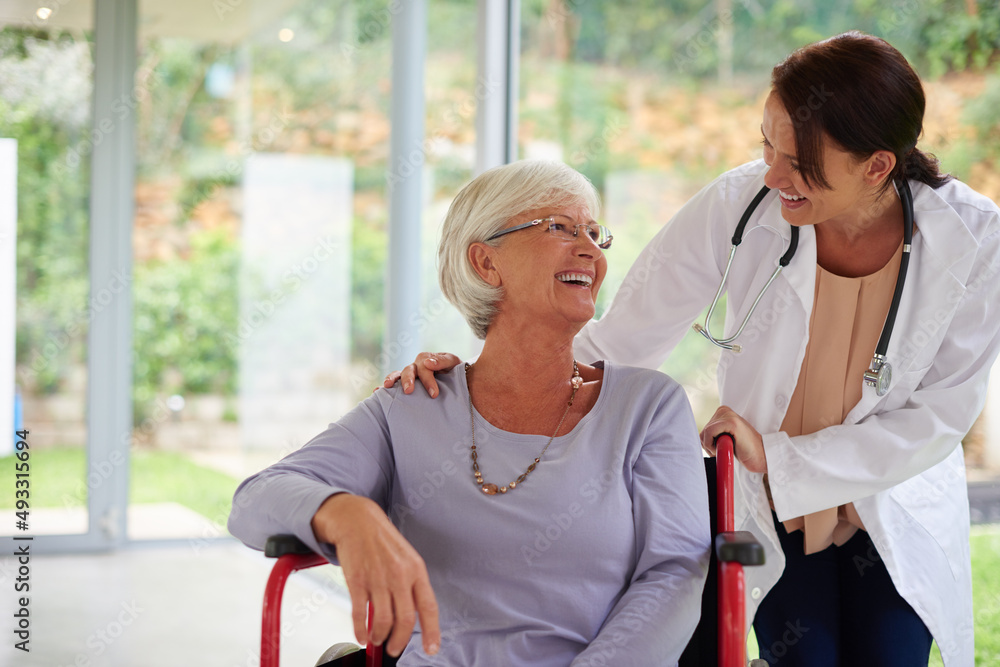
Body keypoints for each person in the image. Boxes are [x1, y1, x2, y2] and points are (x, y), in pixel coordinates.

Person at [389, 32, 1000, 666]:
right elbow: (620, 343)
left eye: (800, 163)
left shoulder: (973, 239)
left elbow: (941, 416)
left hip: (890, 493)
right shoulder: (740, 206)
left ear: (876, 166)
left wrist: (780, 454)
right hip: (771, 501)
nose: (772, 175)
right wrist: (479, 382)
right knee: (806, 654)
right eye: (768, 145)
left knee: (889, 656)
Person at [228, 159, 711, 666]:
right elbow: (253, 503)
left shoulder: (648, 407)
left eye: (594, 232)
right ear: (485, 263)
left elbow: (675, 572)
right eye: (560, 228)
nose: (590, 249)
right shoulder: (412, 405)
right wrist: (346, 512)